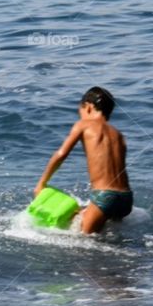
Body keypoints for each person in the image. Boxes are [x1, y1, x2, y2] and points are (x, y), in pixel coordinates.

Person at [35, 87, 133, 234]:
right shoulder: (118, 135)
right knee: (110, 238)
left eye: (79, 111)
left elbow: (61, 154)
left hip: (105, 196)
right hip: (126, 199)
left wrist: (42, 182)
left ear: (88, 107)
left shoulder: (84, 124)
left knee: (84, 242)